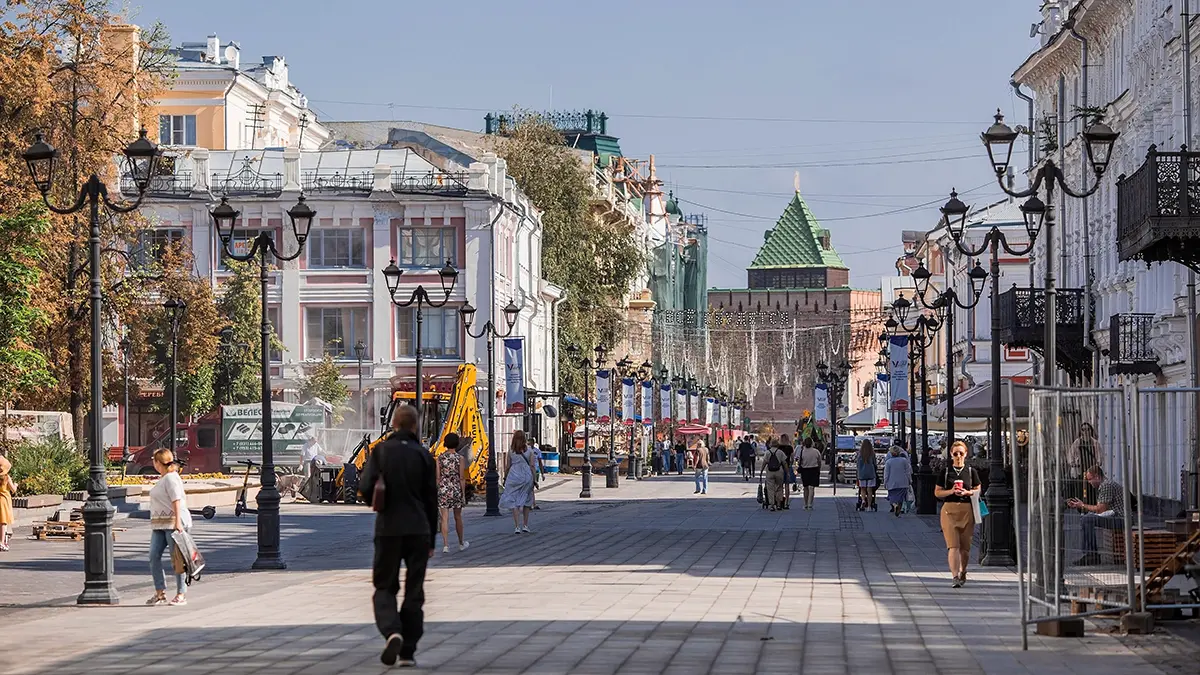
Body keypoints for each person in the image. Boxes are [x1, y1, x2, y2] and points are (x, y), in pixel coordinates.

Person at [360, 404, 439, 668]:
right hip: (418, 529)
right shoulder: (424, 455)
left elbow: (365, 488)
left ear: (394, 423)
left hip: (389, 529)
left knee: (385, 585)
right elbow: (432, 500)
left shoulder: (381, 451)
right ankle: (408, 651)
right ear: (415, 425)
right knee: (414, 590)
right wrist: (432, 540)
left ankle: (392, 630)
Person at [146, 448, 191, 606]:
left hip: (172, 523)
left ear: (158, 462)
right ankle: (160, 593)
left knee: (177, 559)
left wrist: (178, 522)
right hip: (159, 523)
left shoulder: (171, 478)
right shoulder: (164, 478)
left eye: (154, 461)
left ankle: (181, 594)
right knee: (153, 556)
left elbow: (176, 500)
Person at [935, 440, 981, 588]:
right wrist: (951, 491)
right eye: (955, 454)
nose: (958, 456)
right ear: (951, 454)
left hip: (967, 510)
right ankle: (955, 576)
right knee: (953, 545)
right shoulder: (945, 472)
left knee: (965, 548)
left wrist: (968, 492)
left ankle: (963, 570)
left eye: (961, 453)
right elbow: (937, 492)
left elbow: (978, 489)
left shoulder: (971, 472)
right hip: (949, 510)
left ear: (966, 454)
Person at [1071, 465, 1127, 566]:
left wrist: (1082, 505)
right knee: (1087, 518)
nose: (1089, 482)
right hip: (1116, 515)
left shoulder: (1106, 486)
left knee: (1087, 520)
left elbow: (1101, 509)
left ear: (1097, 476)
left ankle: (1091, 554)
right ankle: (1089, 553)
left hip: (1120, 518)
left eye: (1090, 479)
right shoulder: (1105, 485)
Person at [436, 433, 469, 554]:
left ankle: (445, 545)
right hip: (455, 488)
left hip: (444, 488)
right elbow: (462, 477)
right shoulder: (460, 458)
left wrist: (438, 489)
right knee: (457, 516)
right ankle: (461, 543)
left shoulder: (440, 458)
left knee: (444, 518)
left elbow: (438, 477)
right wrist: (463, 494)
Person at [499, 430, 536, 533]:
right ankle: (525, 525)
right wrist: (534, 479)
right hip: (526, 476)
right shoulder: (529, 451)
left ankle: (517, 527)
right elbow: (532, 466)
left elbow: (507, 466)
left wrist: (505, 478)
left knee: (514, 501)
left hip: (514, 475)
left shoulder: (511, 451)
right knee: (527, 500)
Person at [1068, 423, 1104, 504]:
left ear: (1091, 430)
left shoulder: (1095, 442)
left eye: (1088, 429)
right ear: (1081, 431)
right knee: (1080, 490)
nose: (1086, 431)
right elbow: (1070, 454)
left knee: (1092, 490)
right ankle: (1081, 507)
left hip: (1092, 470)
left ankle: (1092, 506)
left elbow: (1099, 455)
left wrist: (1098, 463)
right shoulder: (1077, 442)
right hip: (1081, 469)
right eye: (1083, 429)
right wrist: (1073, 463)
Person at [883, 446, 912, 518]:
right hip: (903, 482)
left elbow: (886, 474)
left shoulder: (888, 462)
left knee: (892, 497)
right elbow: (907, 472)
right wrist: (909, 480)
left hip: (892, 482)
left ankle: (894, 505)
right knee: (901, 498)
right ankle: (899, 510)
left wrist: (885, 482)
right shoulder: (904, 460)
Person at [761, 441, 788, 511]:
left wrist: (761, 471)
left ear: (771, 445)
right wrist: (787, 472)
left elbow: (764, 462)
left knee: (770, 488)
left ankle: (772, 505)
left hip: (770, 472)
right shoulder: (780, 452)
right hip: (779, 471)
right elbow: (784, 463)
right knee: (779, 487)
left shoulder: (767, 452)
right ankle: (778, 504)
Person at [798, 437, 822, 510]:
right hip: (814, 470)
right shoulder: (816, 451)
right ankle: (810, 504)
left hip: (805, 470)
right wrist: (819, 469)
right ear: (812, 443)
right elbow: (819, 461)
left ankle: (805, 503)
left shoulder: (802, 451)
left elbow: (799, 461)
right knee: (812, 488)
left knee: (805, 488)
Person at [0, 453, 16, 552]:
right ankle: (2, 542)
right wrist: (16, 485)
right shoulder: (6, 477)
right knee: (3, 523)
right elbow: (13, 490)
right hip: (4, 501)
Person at [856, 440, 877, 512]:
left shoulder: (860, 454)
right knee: (869, 490)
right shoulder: (872, 453)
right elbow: (875, 463)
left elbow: (858, 464)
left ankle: (863, 500)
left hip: (862, 474)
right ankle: (869, 506)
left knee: (862, 489)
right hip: (871, 473)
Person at [528, 437, 543, 511]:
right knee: (530, 488)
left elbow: (540, 462)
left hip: (536, 470)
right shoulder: (526, 451)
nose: (530, 444)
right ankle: (532, 504)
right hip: (528, 470)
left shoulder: (537, 451)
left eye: (531, 442)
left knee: (532, 488)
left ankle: (532, 503)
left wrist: (542, 473)